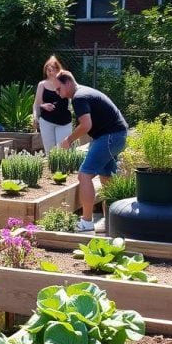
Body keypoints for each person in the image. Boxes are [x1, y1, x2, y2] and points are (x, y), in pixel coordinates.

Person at [56, 70, 129, 232]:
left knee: (85, 175)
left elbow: (86, 125)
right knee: (106, 178)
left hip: (110, 136)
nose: (58, 93)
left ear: (68, 83)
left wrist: (68, 140)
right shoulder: (84, 92)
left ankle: (87, 222)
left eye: (59, 88)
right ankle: (111, 222)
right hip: (116, 135)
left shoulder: (79, 97)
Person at [33, 56, 73, 154]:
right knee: (50, 152)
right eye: (47, 68)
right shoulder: (42, 84)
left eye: (53, 68)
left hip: (64, 121)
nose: (50, 71)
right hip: (47, 121)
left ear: (59, 69)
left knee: (63, 151)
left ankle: (63, 169)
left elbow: (71, 99)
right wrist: (36, 116)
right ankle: (53, 169)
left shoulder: (65, 82)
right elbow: (37, 104)